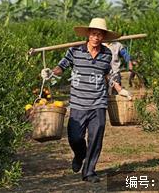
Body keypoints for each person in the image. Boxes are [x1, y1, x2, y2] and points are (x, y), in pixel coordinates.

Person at [41, 18, 125, 183]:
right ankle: (80, 154)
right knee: (75, 138)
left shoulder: (107, 54)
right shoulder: (75, 51)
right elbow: (62, 67)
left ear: (103, 37)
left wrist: (120, 89)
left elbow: (108, 74)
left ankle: (89, 172)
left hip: (98, 103)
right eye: (94, 34)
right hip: (78, 103)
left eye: (100, 35)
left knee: (96, 137)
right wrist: (50, 73)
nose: (96, 37)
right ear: (88, 34)